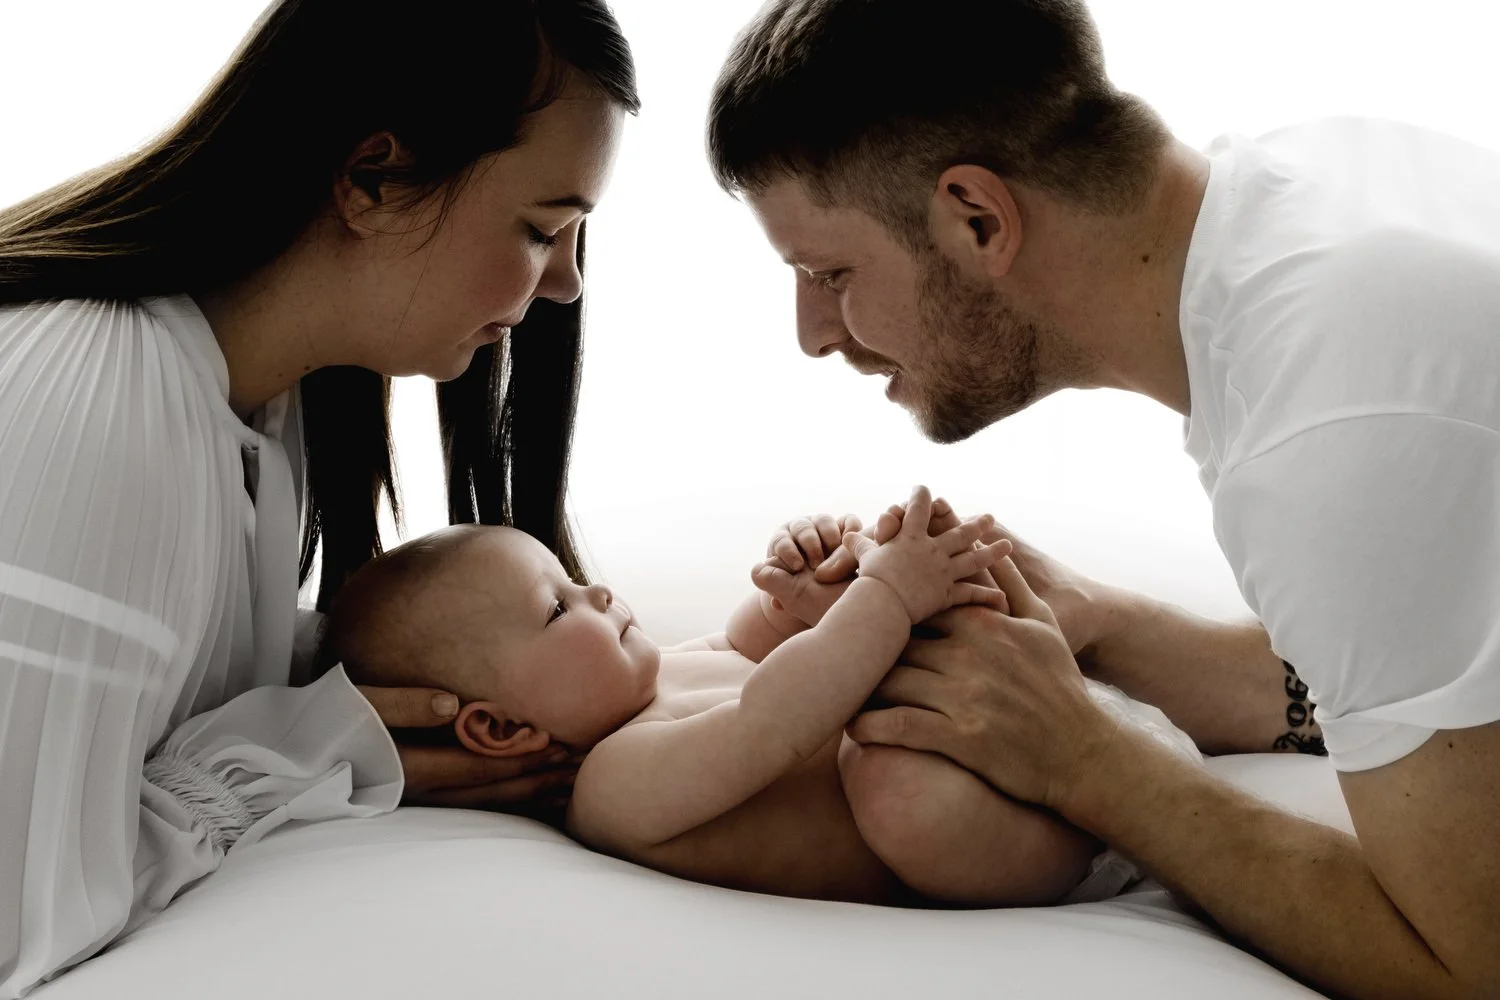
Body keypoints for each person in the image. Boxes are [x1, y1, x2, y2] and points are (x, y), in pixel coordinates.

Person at [708, 1, 1500, 997]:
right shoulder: (1308, 211)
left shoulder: (1325, 420)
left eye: (829, 272)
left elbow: (1467, 963)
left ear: (978, 219)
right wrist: (1107, 623)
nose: (812, 332)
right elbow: (1437, 678)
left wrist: (1091, 762)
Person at [0, 1, 638, 994]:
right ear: (373, 179)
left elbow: (154, 680)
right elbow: (18, 919)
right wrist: (286, 754)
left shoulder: (260, 407)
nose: (562, 285)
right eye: (542, 228)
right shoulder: (96, 401)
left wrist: (373, 712)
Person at [319, 490, 1203, 907]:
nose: (595, 596)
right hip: (997, 836)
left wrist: (806, 573)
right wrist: (883, 600)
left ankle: (1091, 701)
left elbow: (758, 645)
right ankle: (1108, 819)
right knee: (891, 780)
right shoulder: (616, 786)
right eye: (556, 608)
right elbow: (771, 719)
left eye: (573, 579)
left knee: (886, 691)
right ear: (501, 728)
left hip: (1024, 754)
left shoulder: (658, 674)